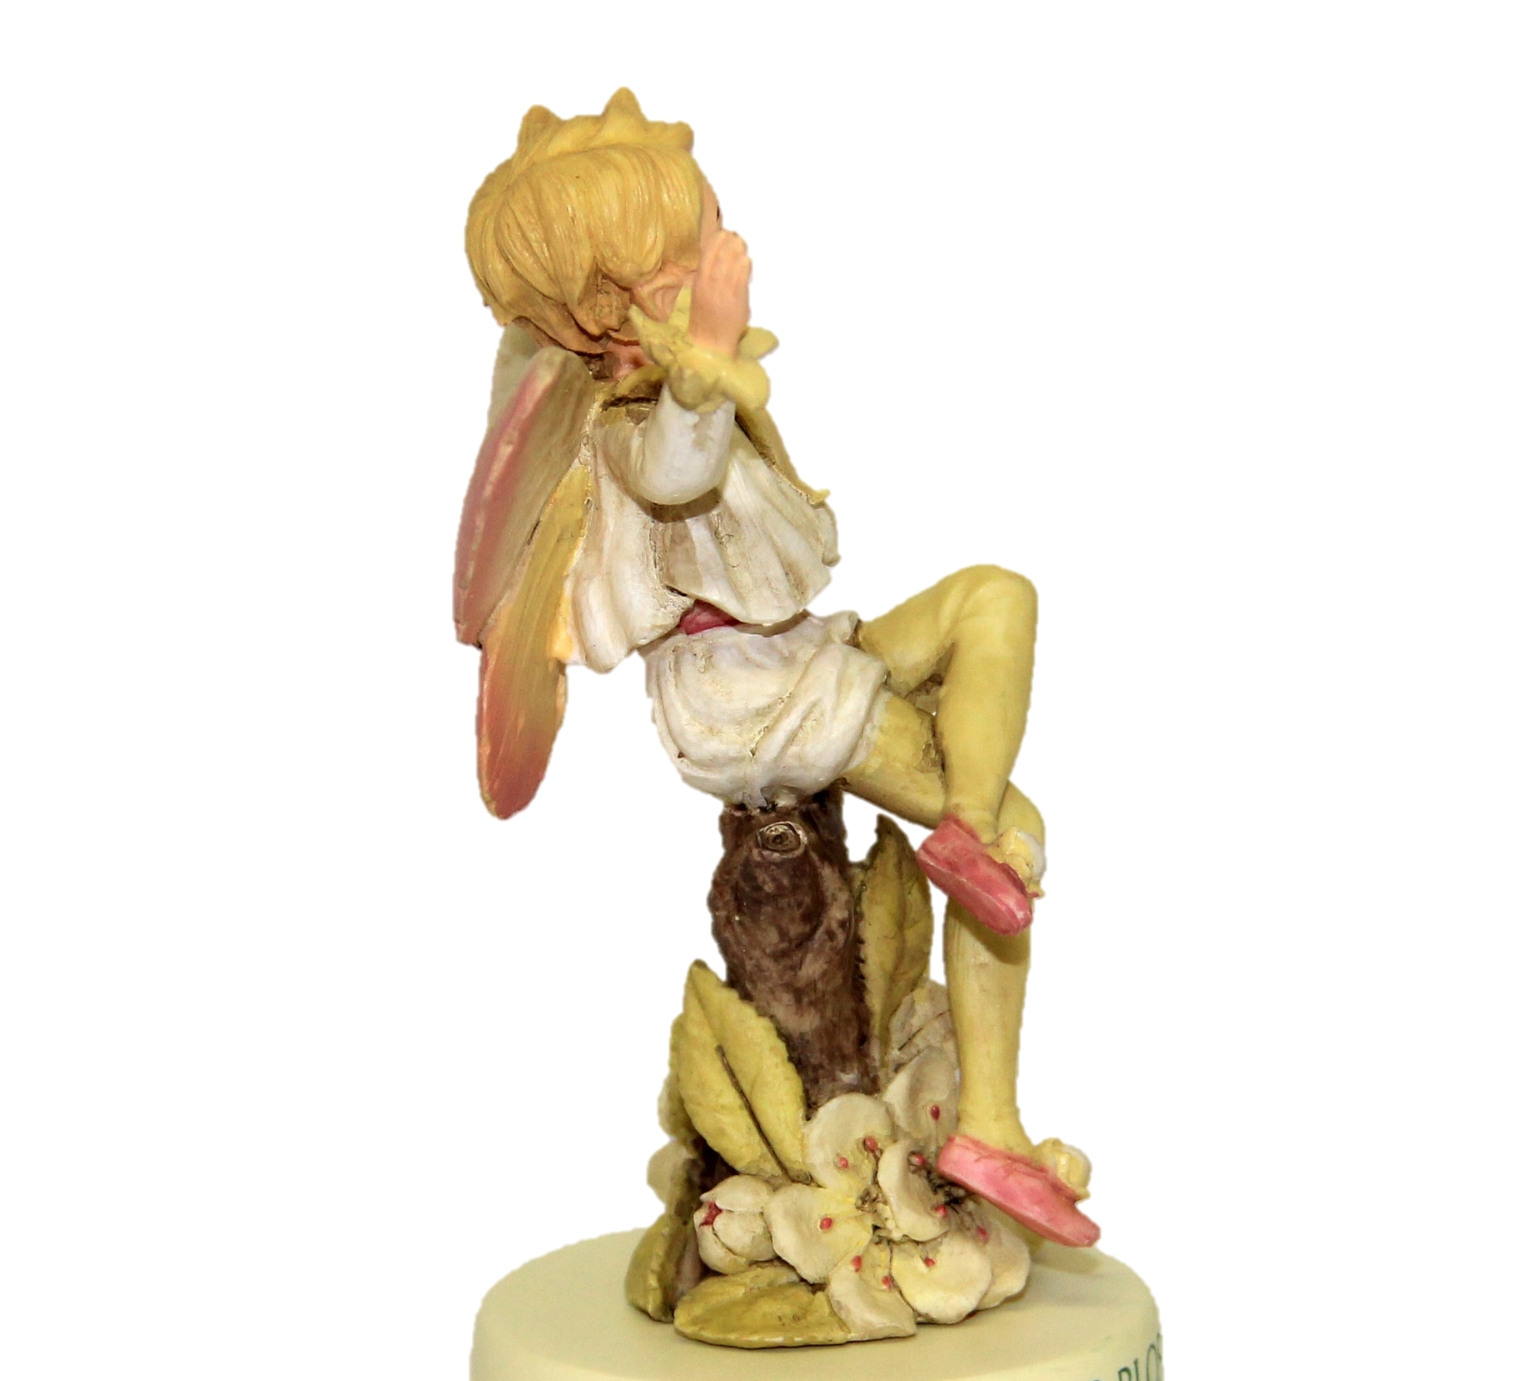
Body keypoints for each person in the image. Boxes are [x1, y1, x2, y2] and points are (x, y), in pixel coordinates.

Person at [457, 89, 1094, 1242]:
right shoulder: (637, 426)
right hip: (756, 702)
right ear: (615, 303)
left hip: (792, 654)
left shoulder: (664, 397)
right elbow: (681, 464)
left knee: (994, 596)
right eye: (701, 244)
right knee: (1024, 826)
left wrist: (704, 351)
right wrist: (707, 352)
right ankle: (989, 1123)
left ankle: (964, 828)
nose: (730, 251)